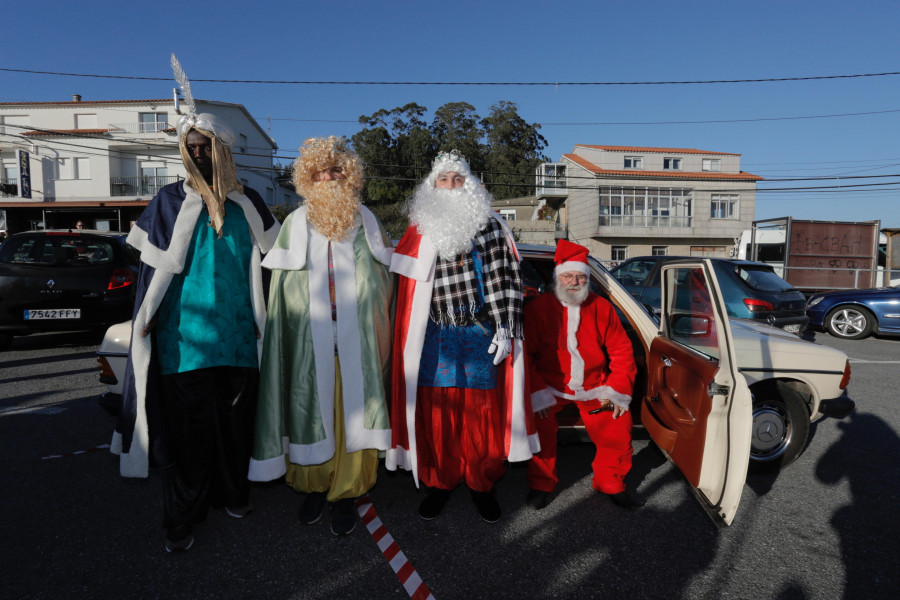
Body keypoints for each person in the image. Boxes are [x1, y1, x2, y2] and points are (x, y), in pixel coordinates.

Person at [111, 56, 280, 553]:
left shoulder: (250, 203)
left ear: (222, 150)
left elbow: (275, 268)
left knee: (234, 425)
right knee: (189, 433)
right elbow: (151, 274)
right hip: (184, 342)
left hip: (239, 339)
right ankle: (183, 514)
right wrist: (144, 321)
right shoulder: (166, 202)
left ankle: (233, 492)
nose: (199, 156)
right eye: (191, 149)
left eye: (206, 147)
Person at [248, 137, 394, 536]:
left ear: (349, 176)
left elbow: (383, 282)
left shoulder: (366, 220)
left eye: (335, 170)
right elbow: (282, 291)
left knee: (352, 416)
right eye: (318, 172)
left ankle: (347, 493)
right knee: (309, 411)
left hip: (356, 342)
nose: (327, 178)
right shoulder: (295, 224)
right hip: (308, 344)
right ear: (306, 179)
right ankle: (314, 487)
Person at [387, 150, 538, 523]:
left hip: (479, 332)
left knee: (480, 412)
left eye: (458, 180)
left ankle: (481, 482)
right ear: (432, 186)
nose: (451, 186)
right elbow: (403, 293)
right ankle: (440, 481)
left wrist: (506, 328)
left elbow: (507, 281)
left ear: (470, 186)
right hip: (434, 335)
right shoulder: (418, 229)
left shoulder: (491, 225)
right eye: (444, 179)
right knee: (437, 408)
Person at [523, 240, 641, 510]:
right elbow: (524, 357)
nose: (574, 281)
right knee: (538, 427)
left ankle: (610, 481)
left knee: (616, 421)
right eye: (568, 275)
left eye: (580, 276)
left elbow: (622, 352)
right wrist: (537, 392)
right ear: (557, 278)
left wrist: (616, 391)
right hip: (550, 389)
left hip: (595, 391)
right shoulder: (538, 309)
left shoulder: (601, 308)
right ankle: (541, 483)